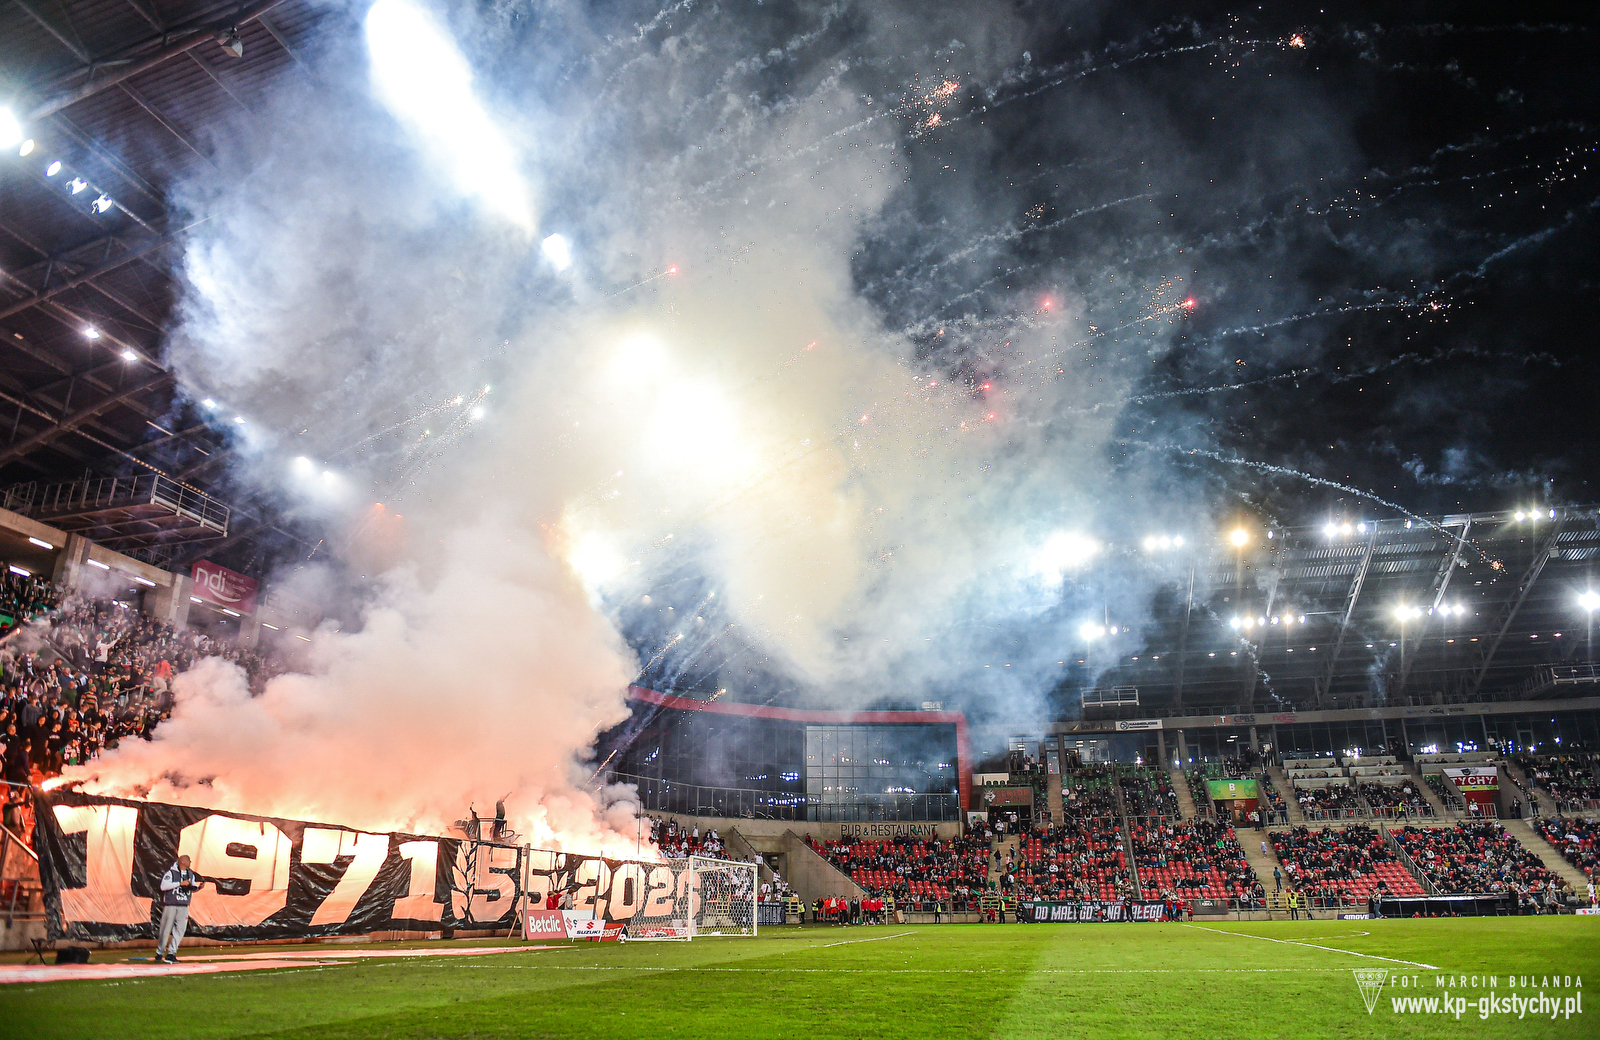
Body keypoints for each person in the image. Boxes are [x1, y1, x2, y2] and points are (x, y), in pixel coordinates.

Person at [156, 855, 205, 963]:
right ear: (182, 861)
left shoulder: (190, 874)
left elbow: (191, 888)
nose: (190, 862)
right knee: (165, 929)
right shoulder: (171, 873)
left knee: (180, 929)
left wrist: (198, 888)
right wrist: (180, 884)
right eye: (188, 860)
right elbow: (163, 886)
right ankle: (160, 952)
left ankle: (171, 953)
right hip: (171, 905)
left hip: (183, 905)